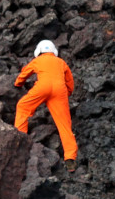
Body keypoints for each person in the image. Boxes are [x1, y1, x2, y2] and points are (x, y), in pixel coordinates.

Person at [14, 40, 79, 168]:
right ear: (53, 51)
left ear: (39, 51)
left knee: (23, 107)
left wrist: (18, 83)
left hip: (43, 87)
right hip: (60, 90)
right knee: (64, 124)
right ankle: (70, 158)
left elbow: (24, 73)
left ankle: (19, 139)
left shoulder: (37, 61)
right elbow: (70, 82)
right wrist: (67, 93)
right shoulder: (61, 62)